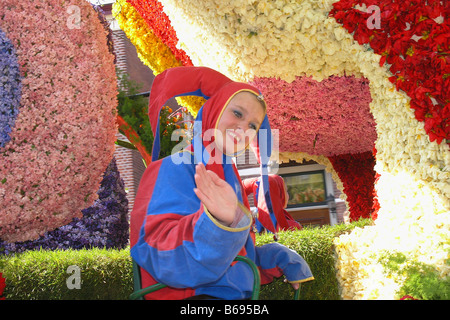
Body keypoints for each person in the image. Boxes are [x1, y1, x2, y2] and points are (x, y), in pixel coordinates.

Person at [130, 66, 313, 300]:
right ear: (214, 110)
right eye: (237, 113)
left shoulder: (229, 179)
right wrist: (218, 222)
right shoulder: (174, 166)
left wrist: (277, 257)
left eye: (253, 125)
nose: (243, 128)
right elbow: (159, 253)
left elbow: (231, 260)